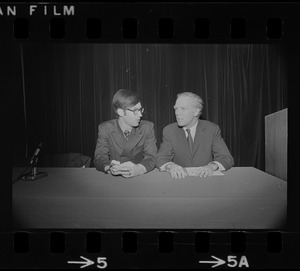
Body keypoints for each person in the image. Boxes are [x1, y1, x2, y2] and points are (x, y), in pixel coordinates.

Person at [156, 92, 234, 179]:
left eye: (183, 109)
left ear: (196, 111)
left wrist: (211, 166)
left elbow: (226, 158)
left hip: (205, 180)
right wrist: (171, 166)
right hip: (179, 180)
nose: (177, 113)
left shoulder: (212, 129)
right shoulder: (169, 130)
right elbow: (161, 158)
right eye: (176, 109)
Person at [94, 89, 157, 178]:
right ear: (120, 112)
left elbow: (151, 157)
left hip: (139, 177)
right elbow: (99, 157)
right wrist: (109, 167)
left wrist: (138, 169)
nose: (140, 114)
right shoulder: (105, 128)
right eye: (135, 110)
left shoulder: (147, 127)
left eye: (140, 110)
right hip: (114, 179)